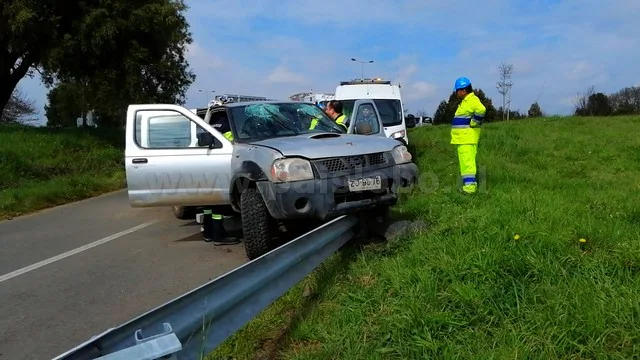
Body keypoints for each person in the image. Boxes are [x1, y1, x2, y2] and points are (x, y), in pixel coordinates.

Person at [202, 110, 240, 245]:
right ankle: (219, 236)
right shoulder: (227, 124)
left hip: (206, 169)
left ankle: (208, 233)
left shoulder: (208, 125)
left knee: (208, 205)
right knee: (219, 207)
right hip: (221, 169)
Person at [451, 76, 486, 194]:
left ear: (463, 91)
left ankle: (469, 190)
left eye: (457, 90)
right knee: (466, 164)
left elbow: (481, 110)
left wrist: (474, 122)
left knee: (467, 165)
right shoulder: (466, 101)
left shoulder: (471, 100)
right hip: (463, 139)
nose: (456, 93)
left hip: (466, 138)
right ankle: (469, 187)